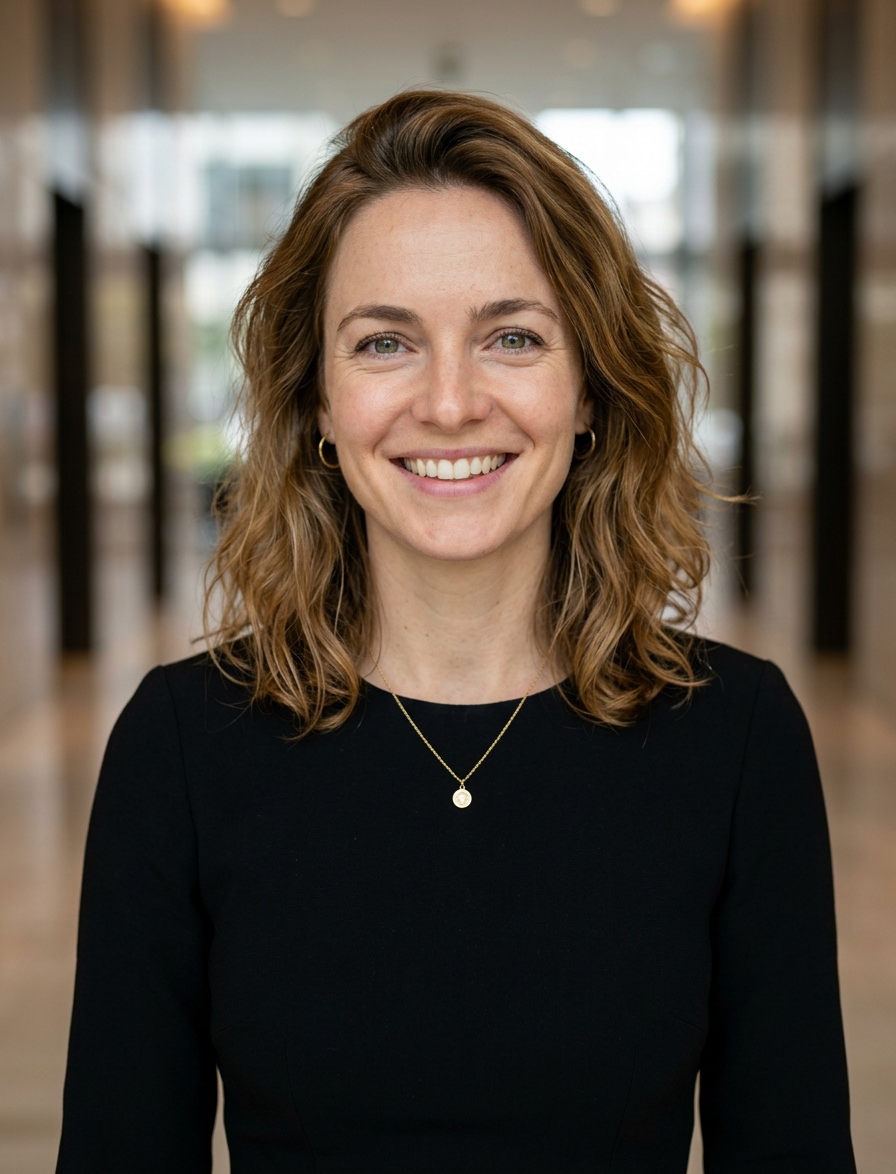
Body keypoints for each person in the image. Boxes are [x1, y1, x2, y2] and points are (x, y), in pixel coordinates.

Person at [56, 90, 856, 1173]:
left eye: (511, 336)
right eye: (385, 342)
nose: (447, 402)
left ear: (587, 392)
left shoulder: (736, 738)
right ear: (317, 404)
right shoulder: (183, 748)